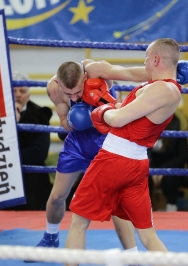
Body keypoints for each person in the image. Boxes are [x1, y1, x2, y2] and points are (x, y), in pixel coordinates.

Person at [64, 38, 184, 260]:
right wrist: (108, 98)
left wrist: (99, 109)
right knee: (148, 235)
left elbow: (117, 119)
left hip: (114, 160)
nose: (145, 62)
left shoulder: (164, 90)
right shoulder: (158, 86)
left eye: (147, 57)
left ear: (156, 58)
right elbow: (126, 108)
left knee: (78, 221)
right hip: (136, 165)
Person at [32, 59, 149, 253]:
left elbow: (129, 77)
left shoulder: (96, 71)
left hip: (107, 141)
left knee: (116, 202)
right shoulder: (53, 89)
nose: (76, 97)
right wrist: (75, 121)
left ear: (85, 77)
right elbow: (63, 119)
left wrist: (167, 73)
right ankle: (50, 237)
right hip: (77, 142)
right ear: (59, 84)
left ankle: (132, 255)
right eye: (69, 94)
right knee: (57, 196)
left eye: (79, 91)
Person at [6, 71, 53, 210]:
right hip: (4, 176)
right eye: (14, 90)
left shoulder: (41, 115)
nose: (18, 94)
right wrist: (12, 122)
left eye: (22, 90)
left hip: (32, 180)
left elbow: (39, 153)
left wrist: (8, 157)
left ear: (28, 95)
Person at [148, 112, 188, 212]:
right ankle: (146, 207)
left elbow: (183, 156)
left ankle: (172, 206)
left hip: (170, 167)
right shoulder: (147, 125)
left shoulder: (177, 126)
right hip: (150, 165)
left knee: (170, 178)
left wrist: (163, 171)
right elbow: (141, 151)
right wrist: (152, 170)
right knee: (142, 176)